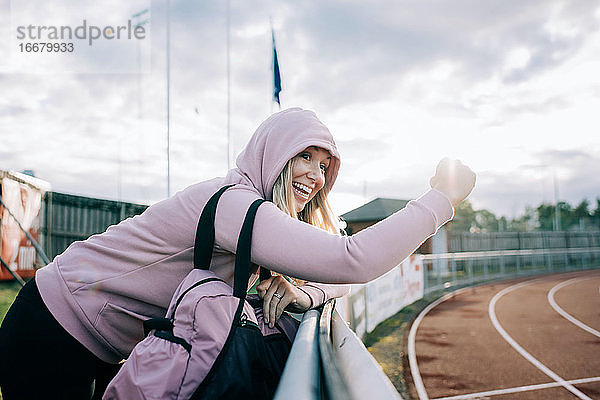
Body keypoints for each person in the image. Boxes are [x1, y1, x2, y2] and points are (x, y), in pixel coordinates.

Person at [0, 107, 475, 399]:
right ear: (274, 151)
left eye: (325, 164)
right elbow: (352, 259)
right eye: (304, 156)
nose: (315, 174)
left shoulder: (261, 211)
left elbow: (338, 270)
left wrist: (307, 296)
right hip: (52, 325)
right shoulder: (235, 205)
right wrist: (440, 200)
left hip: (102, 342)